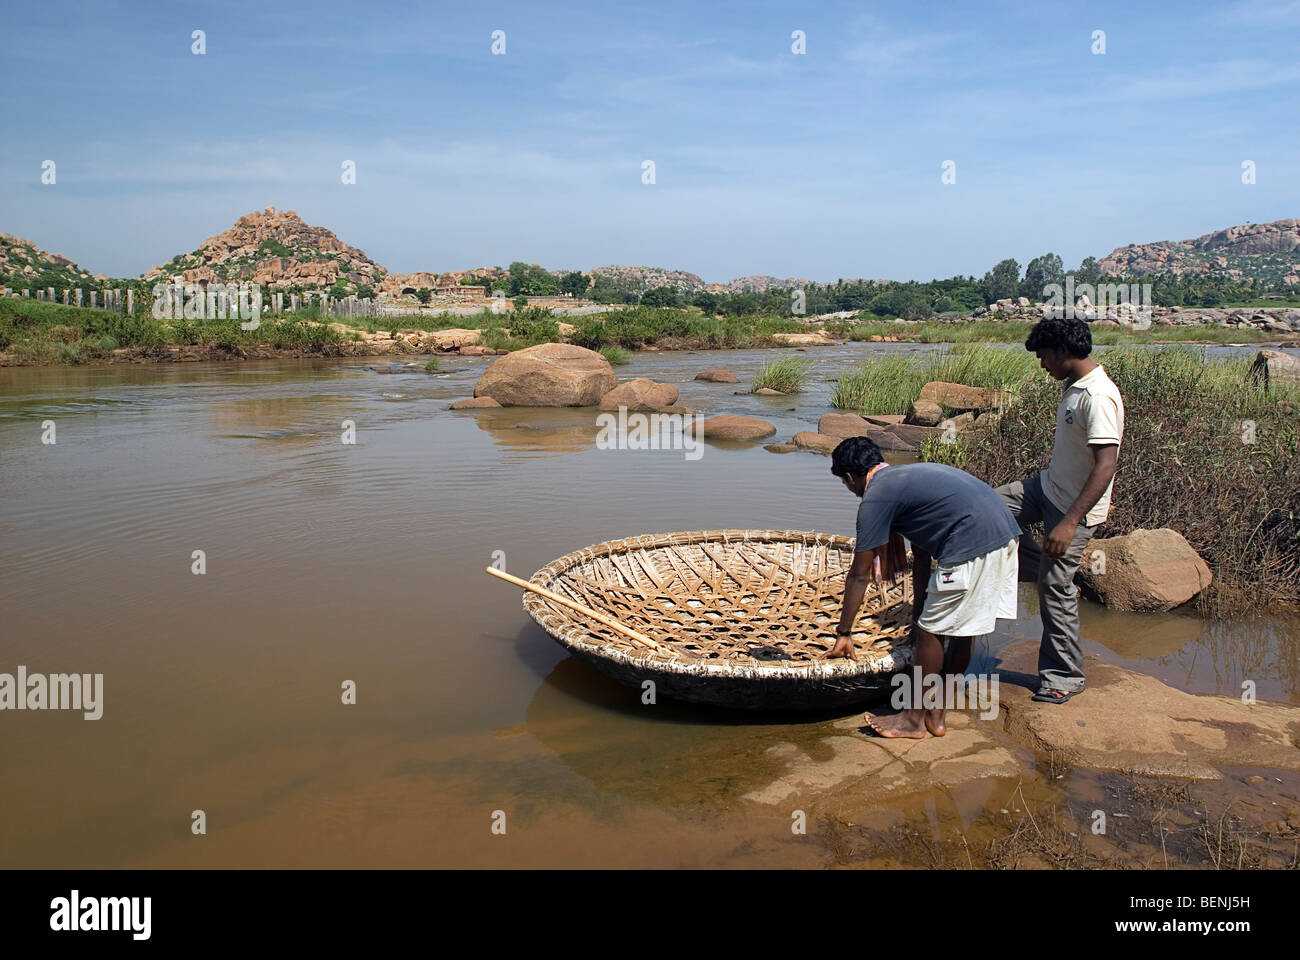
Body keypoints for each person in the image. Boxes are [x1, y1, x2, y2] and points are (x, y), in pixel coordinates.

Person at [824, 437, 1021, 738]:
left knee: (933, 633)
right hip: (1004, 536)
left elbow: (859, 575)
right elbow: (921, 557)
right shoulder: (907, 479)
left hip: (970, 544)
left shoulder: (876, 497)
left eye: (845, 483)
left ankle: (913, 718)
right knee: (963, 628)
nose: (850, 490)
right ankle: (936, 713)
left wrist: (844, 632)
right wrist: (918, 614)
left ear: (850, 477)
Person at [996, 316, 1124, 705]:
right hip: (1046, 488)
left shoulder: (1097, 396)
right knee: (987, 508)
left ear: (1064, 351)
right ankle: (1042, 568)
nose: (1041, 364)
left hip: (1073, 509)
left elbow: (1106, 465)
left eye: (1044, 356)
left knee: (1054, 588)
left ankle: (1064, 677)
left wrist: (1068, 523)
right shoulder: (1074, 385)